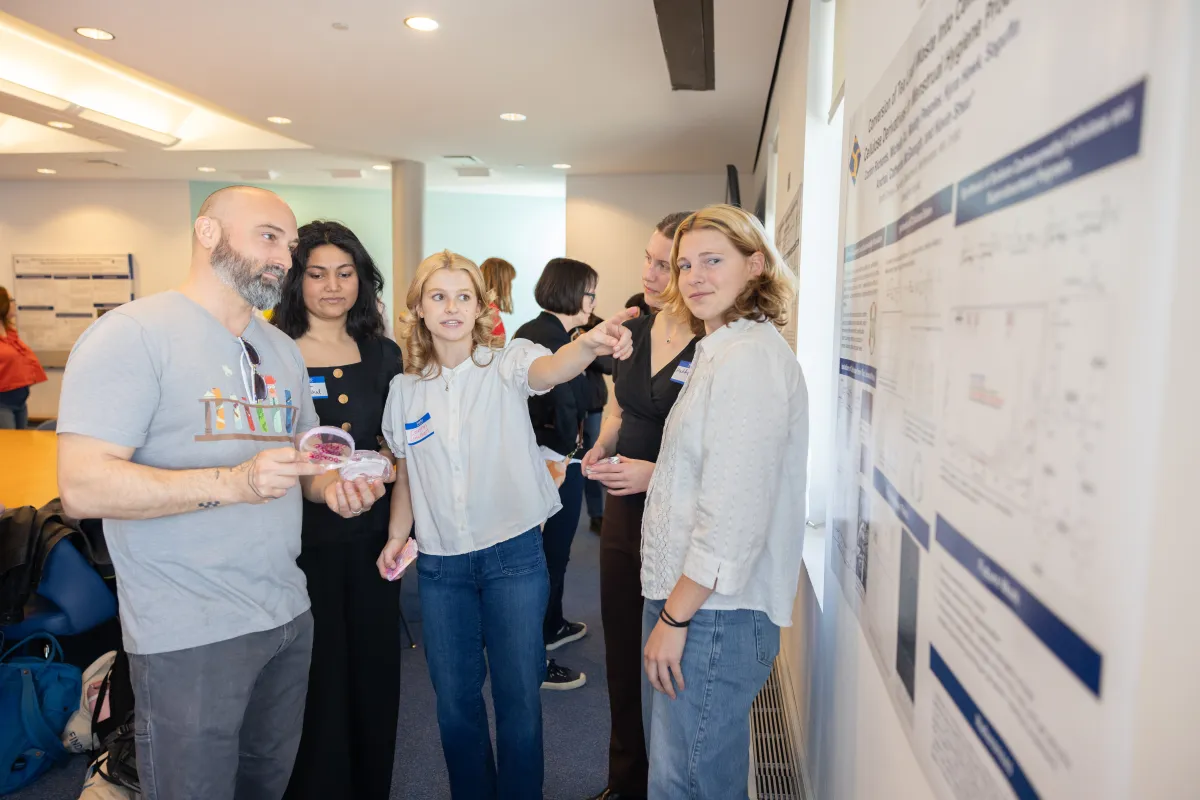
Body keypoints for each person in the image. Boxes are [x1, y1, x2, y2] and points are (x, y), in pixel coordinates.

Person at [56, 186, 387, 800]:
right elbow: (82, 485)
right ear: (207, 234)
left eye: (289, 245)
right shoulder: (131, 334)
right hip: (188, 630)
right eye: (268, 237)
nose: (284, 258)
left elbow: (305, 465)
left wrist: (334, 488)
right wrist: (235, 483)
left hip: (287, 613)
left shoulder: (279, 350)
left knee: (266, 784)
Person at [376, 250, 635, 799]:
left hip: (512, 559)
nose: (450, 308)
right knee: (455, 706)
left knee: (519, 700)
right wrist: (398, 537)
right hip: (442, 567)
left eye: (462, 296)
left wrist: (587, 343)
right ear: (418, 308)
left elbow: (552, 368)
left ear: (479, 307)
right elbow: (405, 475)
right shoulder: (404, 391)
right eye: (437, 296)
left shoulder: (508, 361)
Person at [639, 204, 809, 799]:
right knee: (681, 773)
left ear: (755, 265)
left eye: (713, 261)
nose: (694, 277)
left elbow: (732, 517)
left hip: (713, 614)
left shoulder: (750, 361)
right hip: (696, 604)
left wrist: (674, 617)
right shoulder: (723, 350)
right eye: (685, 265)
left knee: (688, 783)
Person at [272, 221, 404, 800]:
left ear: (362, 279)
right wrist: (324, 483)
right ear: (296, 280)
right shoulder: (272, 351)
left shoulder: (383, 352)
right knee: (315, 673)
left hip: (375, 535)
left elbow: (399, 441)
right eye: (317, 273)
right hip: (301, 541)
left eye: (345, 273)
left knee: (374, 668)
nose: (333, 286)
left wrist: (389, 468)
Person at [580, 211, 696, 800]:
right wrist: (601, 445)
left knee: (670, 665)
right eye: (647, 259)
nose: (649, 274)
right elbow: (620, 407)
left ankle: (666, 784)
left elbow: (721, 450)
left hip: (679, 518)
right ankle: (625, 782)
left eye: (664, 263)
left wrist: (659, 473)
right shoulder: (637, 330)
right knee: (623, 656)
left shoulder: (714, 343)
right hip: (624, 512)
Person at [513, 258, 600, 688]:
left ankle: (551, 627)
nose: (592, 302)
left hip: (560, 456)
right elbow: (559, 407)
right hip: (550, 460)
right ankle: (535, 656)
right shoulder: (542, 338)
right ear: (569, 292)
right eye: (589, 292)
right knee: (545, 558)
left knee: (557, 554)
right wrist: (567, 454)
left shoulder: (557, 334)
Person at [569, 312, 613, 534]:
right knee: (567, 461)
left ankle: (597, 514)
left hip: (593, 405)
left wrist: (586, 347)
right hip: (566, 406)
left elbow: (610, 365)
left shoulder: (597, 323)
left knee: (592, 458)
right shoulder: (561, 325)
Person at [0, 287, 47, 429]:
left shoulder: (10, 334)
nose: (14, 304)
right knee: (10, 447)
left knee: (22, 445)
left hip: (20, 400)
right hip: (3, 403)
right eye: (10, 300)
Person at [480, 257, 516, 343]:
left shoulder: (485, 308)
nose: (510, 286)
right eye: (509, 281)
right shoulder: (488, 312)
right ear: (501, 282)